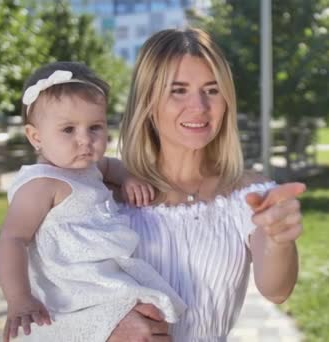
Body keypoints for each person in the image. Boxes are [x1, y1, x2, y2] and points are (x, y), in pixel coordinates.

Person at [107, 28, 306, 341]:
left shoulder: (250, 194)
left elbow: (277, 291)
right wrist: (104, 324)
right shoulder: (108, 194)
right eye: (179, 90)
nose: (199, 106)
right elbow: (51, 294)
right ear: (148, 100)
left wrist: (279, 239)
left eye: (212, 90)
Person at [0, 61, 186, 342]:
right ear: (36, 137)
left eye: (95, 127)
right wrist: (19, 297)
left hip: (102, 282)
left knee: (153, 314)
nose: (85, 140)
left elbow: (111, 166)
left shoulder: (90, 168)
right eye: (68, 129)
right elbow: (13, 239)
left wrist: (129, 179)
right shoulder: (41, 184)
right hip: (71, 291)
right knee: (144, 321)